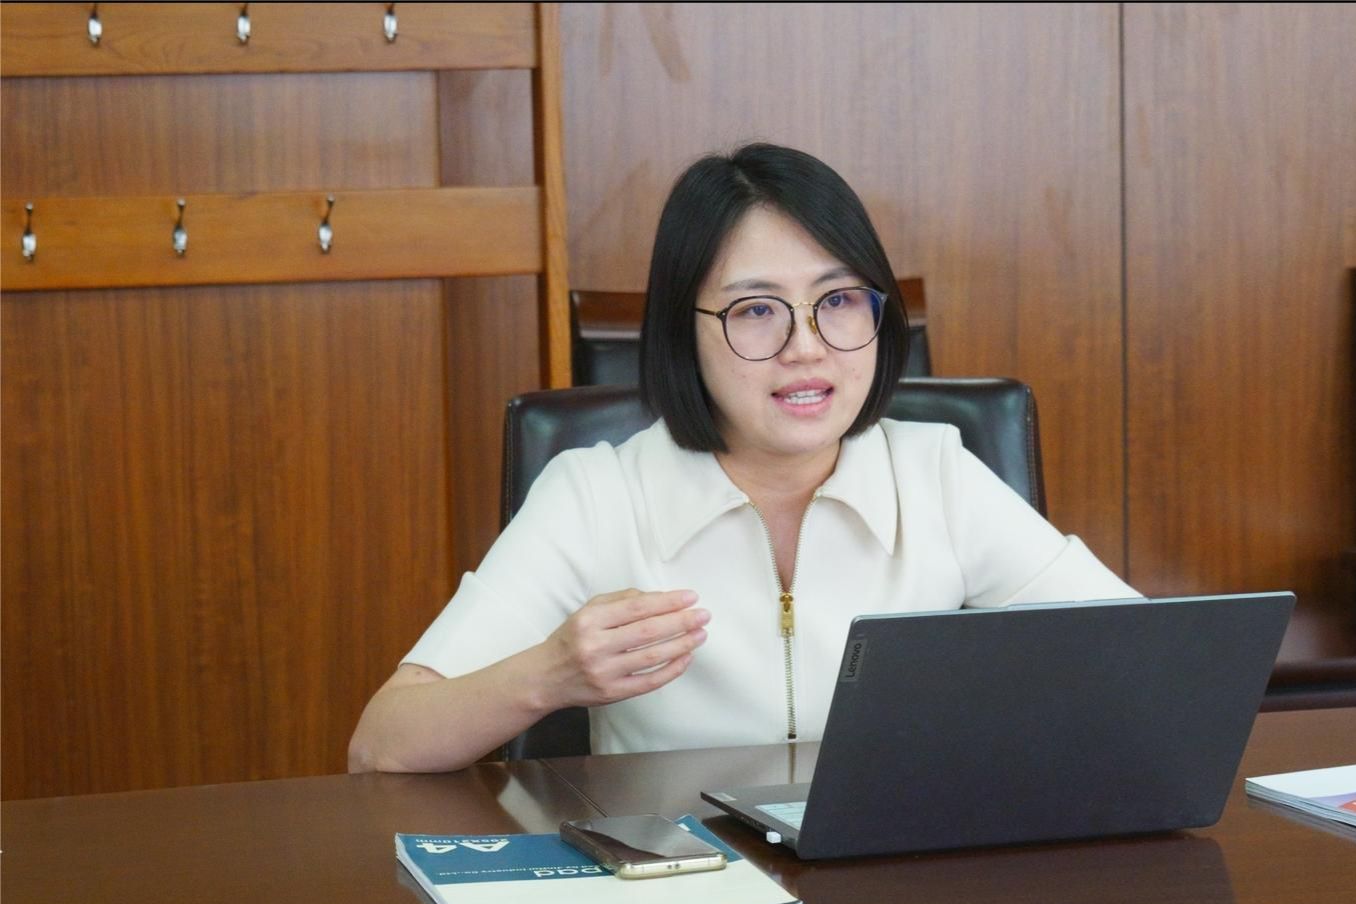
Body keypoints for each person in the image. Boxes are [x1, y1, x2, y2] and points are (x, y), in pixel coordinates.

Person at [348, 143, 1136, 773]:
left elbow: (1149, 667)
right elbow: (383, 743)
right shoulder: (598, 495)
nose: (806, 347)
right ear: (682, 332)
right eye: (756, 310)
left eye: (838, 301)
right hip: (680, 896)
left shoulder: (936, 474)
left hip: (894, 889)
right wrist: (549, 676)